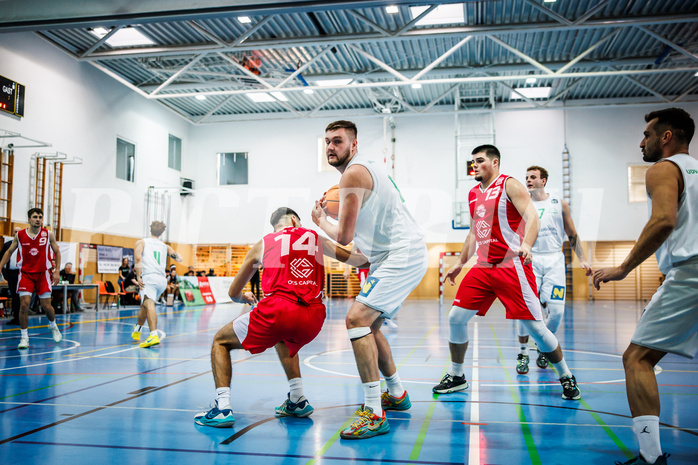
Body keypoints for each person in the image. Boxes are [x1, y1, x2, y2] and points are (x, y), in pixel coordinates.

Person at [195, 207, 367, 427]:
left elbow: (233, 293)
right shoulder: (315, 237)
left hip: (278, 310)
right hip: (313, 317)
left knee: (220, 341)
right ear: (295, 220)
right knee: (284, 338)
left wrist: (243, 297)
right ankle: (297, 399)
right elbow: (359, 261)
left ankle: (222, 407)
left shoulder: (265, 242)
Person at [434, 145, 581, 401]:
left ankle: (566, 375)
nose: (475, 166)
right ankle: (456, 376)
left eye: (480, 161)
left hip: (511, 267)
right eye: (473, 162)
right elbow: (472, 232)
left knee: (536, 329)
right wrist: (460, 262)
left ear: (495, 162)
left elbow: (532, 217)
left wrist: (526, 244)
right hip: (482, 268)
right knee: (456, 318)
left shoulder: (509, 185)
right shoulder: (472, 194)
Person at [311, 120, 428, 440]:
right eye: (327, 142)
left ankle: (374, 412)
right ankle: (397, 394)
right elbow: (359, 256)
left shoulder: (353, 174)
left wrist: (321, 221)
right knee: (370, 326)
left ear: (354, 145)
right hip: (387, 256)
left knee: (356, 319)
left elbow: (345, 237)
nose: (331, 147)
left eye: (337, 141)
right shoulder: (366, 171)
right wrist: (323, 244)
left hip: (402, 254)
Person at [593, 108, 696, 465]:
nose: (642, 141)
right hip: (684, 272)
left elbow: (664, 220)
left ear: (667, 136)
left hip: (692, 272)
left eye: (647, 134)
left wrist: (623, 267)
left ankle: (651, 458)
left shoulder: (664, 169)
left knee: (637, 358)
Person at [514, 165, 593, 374]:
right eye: (526, 177)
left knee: (556, 311)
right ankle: (522, 353)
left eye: (533, 177)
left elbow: (572, 234)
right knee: (525, 311)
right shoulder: (522, 204)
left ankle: (543, 347)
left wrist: (582, 259)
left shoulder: (559, 204)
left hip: (555, 261)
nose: (528, 180)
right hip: (529, 260)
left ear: (544, 180)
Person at [0, 208, 63, 349]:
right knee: (24, 305)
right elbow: (9, 252)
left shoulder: (48, 234)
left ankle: (53, 326)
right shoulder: (20, 235)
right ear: (29, 219)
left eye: (40, 217)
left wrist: (57, 270)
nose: (38, 219)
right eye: (35, 217)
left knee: (47, 307)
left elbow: (57, 252)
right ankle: (24, 337)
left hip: (43, 274)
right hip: (26, 274)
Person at [130, 221, 182, 348]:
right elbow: (179, 258)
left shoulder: (142, 242)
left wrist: (138, 276)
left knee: (149, 304)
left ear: (150, 229)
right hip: (161, 280)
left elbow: (137, 259)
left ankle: (153, 335)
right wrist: (175, 254)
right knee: (145, 304)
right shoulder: (165, 246)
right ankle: (137, 331)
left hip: (149, 278)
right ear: (162, 232)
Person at [1, 226, 22, 325]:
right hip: (11, 274)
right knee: (14, 296)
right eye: (15, 232)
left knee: (21, 296)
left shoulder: (25, 245)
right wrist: (5, 273)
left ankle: (21, 317)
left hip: (22, 273)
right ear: (12, 233)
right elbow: (1, 259)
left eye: (19, 232)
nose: (17, 233)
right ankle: (15, 317)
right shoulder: (7, 245)